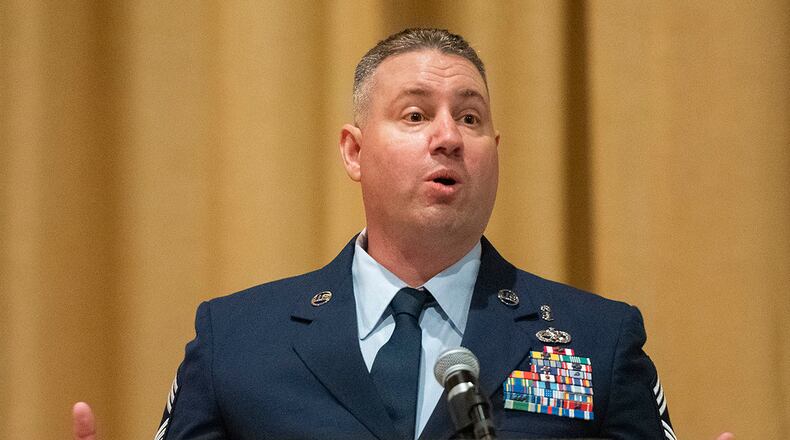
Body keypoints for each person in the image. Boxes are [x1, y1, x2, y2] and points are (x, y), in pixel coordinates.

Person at [73, 28, 735, 440]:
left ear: (495, 151)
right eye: (416, 114)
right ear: (354, 151)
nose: (448, 137)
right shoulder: (236, 343)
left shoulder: (596, 340)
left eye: (470, 119)